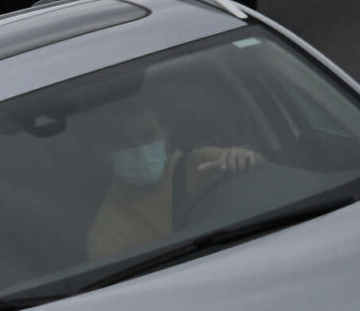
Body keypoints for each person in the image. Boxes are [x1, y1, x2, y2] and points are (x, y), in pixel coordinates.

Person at [85, 103, 260, 261]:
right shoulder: (108, 234)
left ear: (166, 135)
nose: (141, 149)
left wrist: (243, 159)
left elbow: (262, 173)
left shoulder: (201, 164)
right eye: (125, 142)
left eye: (149, 135)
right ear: (102, 153)